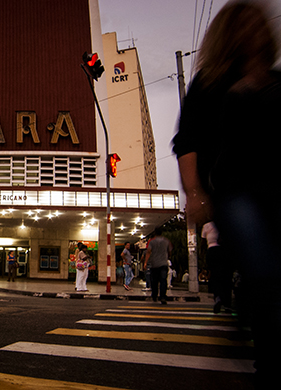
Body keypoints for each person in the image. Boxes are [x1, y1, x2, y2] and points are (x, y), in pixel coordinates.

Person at [172, 3, 281, 383]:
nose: (254, 29)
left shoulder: (276, 80)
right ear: (228, 33)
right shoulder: (210, 82)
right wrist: (195, 193)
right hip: (236, 194)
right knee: (267, 274)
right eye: (243, 23)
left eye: (258, 22)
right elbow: (186, 140)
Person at [202, 222, 232, 313]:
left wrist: (203, 256)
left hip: (211, 251)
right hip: (224, 251)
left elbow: (203, 243)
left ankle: (217, 297)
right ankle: (227, 303)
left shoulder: (206, 226)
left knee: (215, 276)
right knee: (226, 277)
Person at [144, 228, 172, 304]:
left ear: (155, 233)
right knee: (163, 280)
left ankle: (154, 295)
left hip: (154, 264)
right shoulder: (166, 241)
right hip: (163, 263)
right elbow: (169, 251)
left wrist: (145, 263)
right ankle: (162, 296)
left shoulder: (151, 241)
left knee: (154, 281)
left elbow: (148, 252)